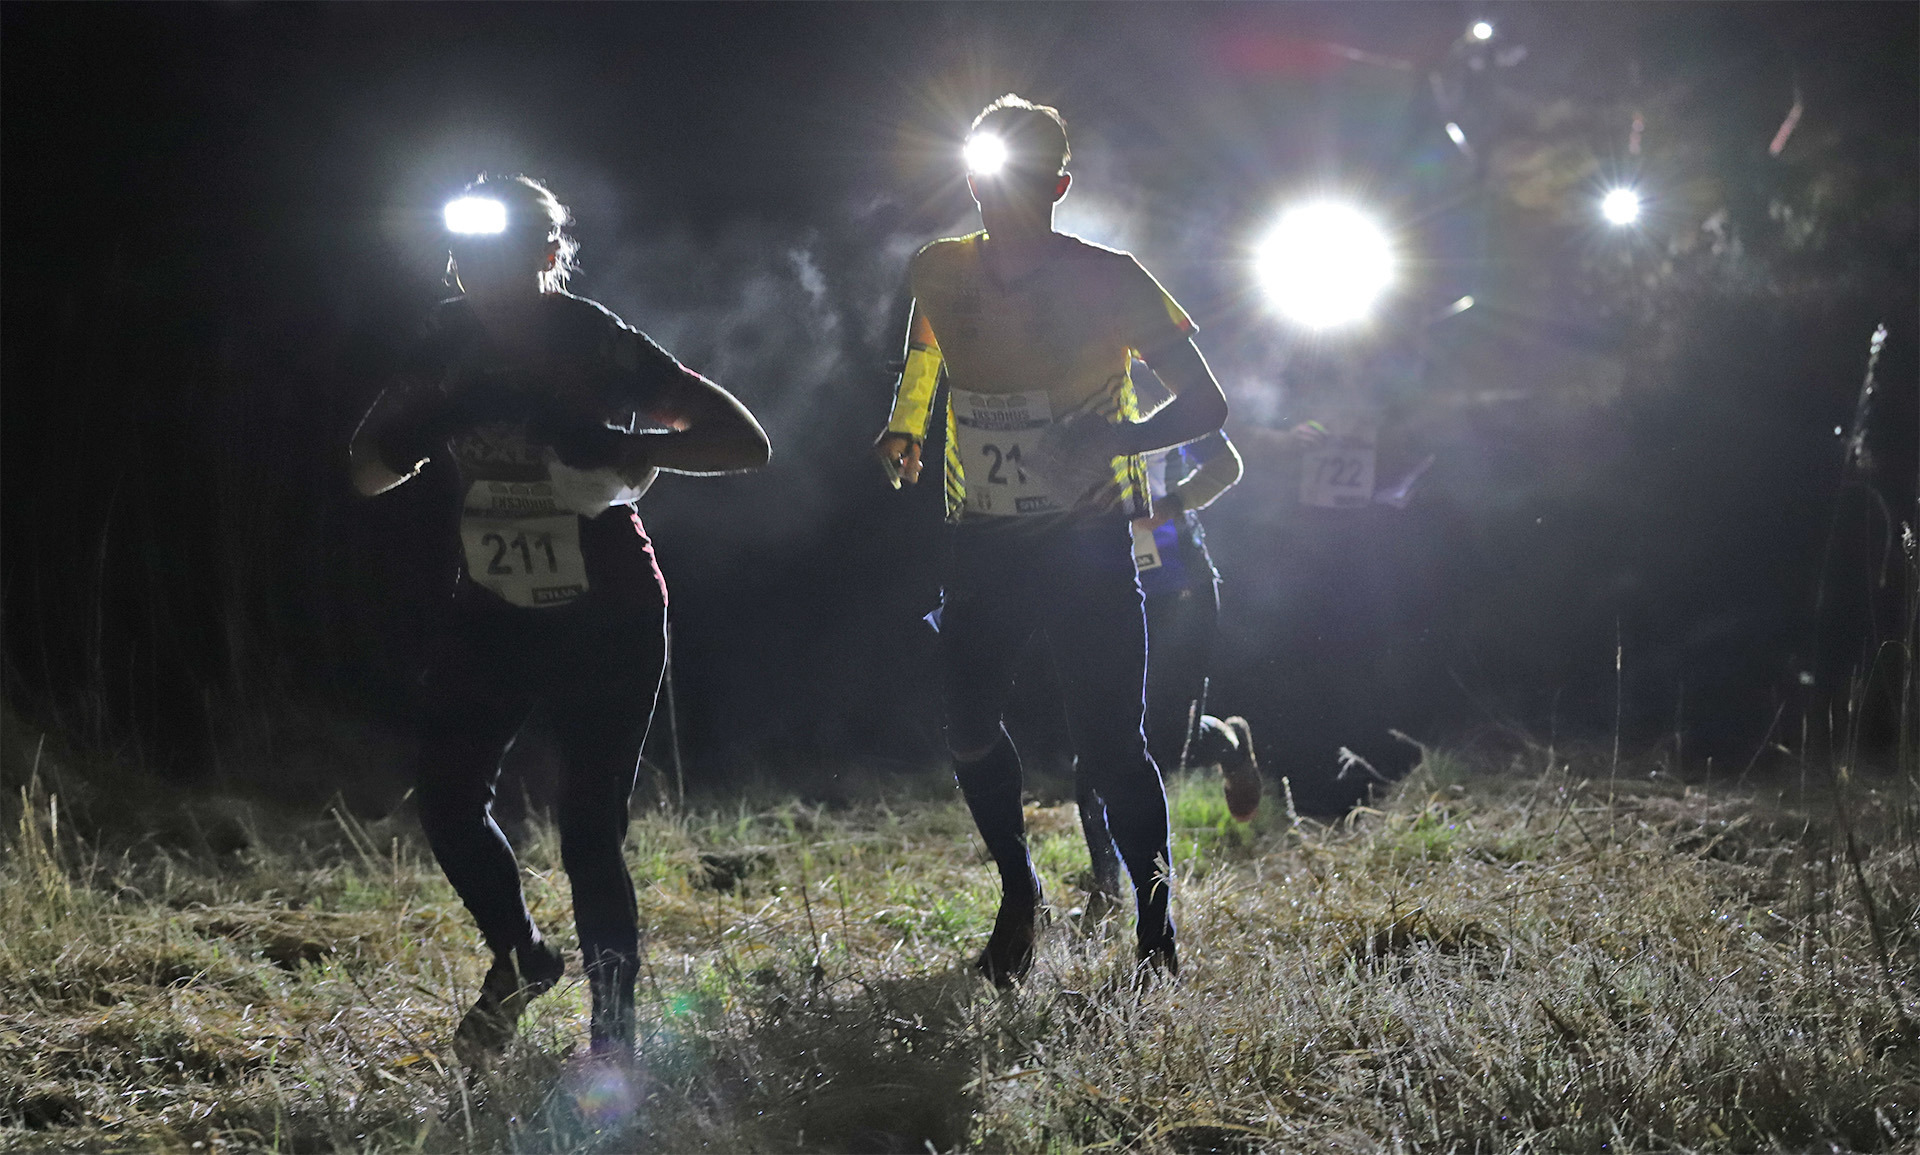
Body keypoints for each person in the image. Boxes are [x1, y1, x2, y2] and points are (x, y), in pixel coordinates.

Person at [349, 174, 769, 1059]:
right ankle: (522, 957)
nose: (482, 277)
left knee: (589, 831)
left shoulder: (591, 337)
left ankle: (614, 1042)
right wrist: (433, 423)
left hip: (607, 611)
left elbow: (744, 441)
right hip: (493, 608)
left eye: (503, 257)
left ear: (547, 257)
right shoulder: (444, 340)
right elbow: (365, 469)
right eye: (467, 258)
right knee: (448, 802)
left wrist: (623, 444)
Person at [874, 96, 1228, 983]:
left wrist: (1122, 438)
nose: (1005, 194)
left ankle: (1155, 928)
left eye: (1028, 179)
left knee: (1111, 744)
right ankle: (1019, 888)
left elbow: (1207, 403)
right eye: (992, 175)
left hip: (1085, 540)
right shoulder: (937, 268)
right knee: (965, 727)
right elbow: (929, 346)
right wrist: (906, 421)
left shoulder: (1113, 278)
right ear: (970, 178)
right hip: (984, 536)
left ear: (1061, 186)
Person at [1076, 429, 1258, 910]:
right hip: (1106, 593)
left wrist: (1168, 506)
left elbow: (1226, 465)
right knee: (1097, 742)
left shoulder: (1166, 402)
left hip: (1181, 594)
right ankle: (1106, 890)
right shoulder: (1070, 406)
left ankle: (1227, 744)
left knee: (1166, 743)